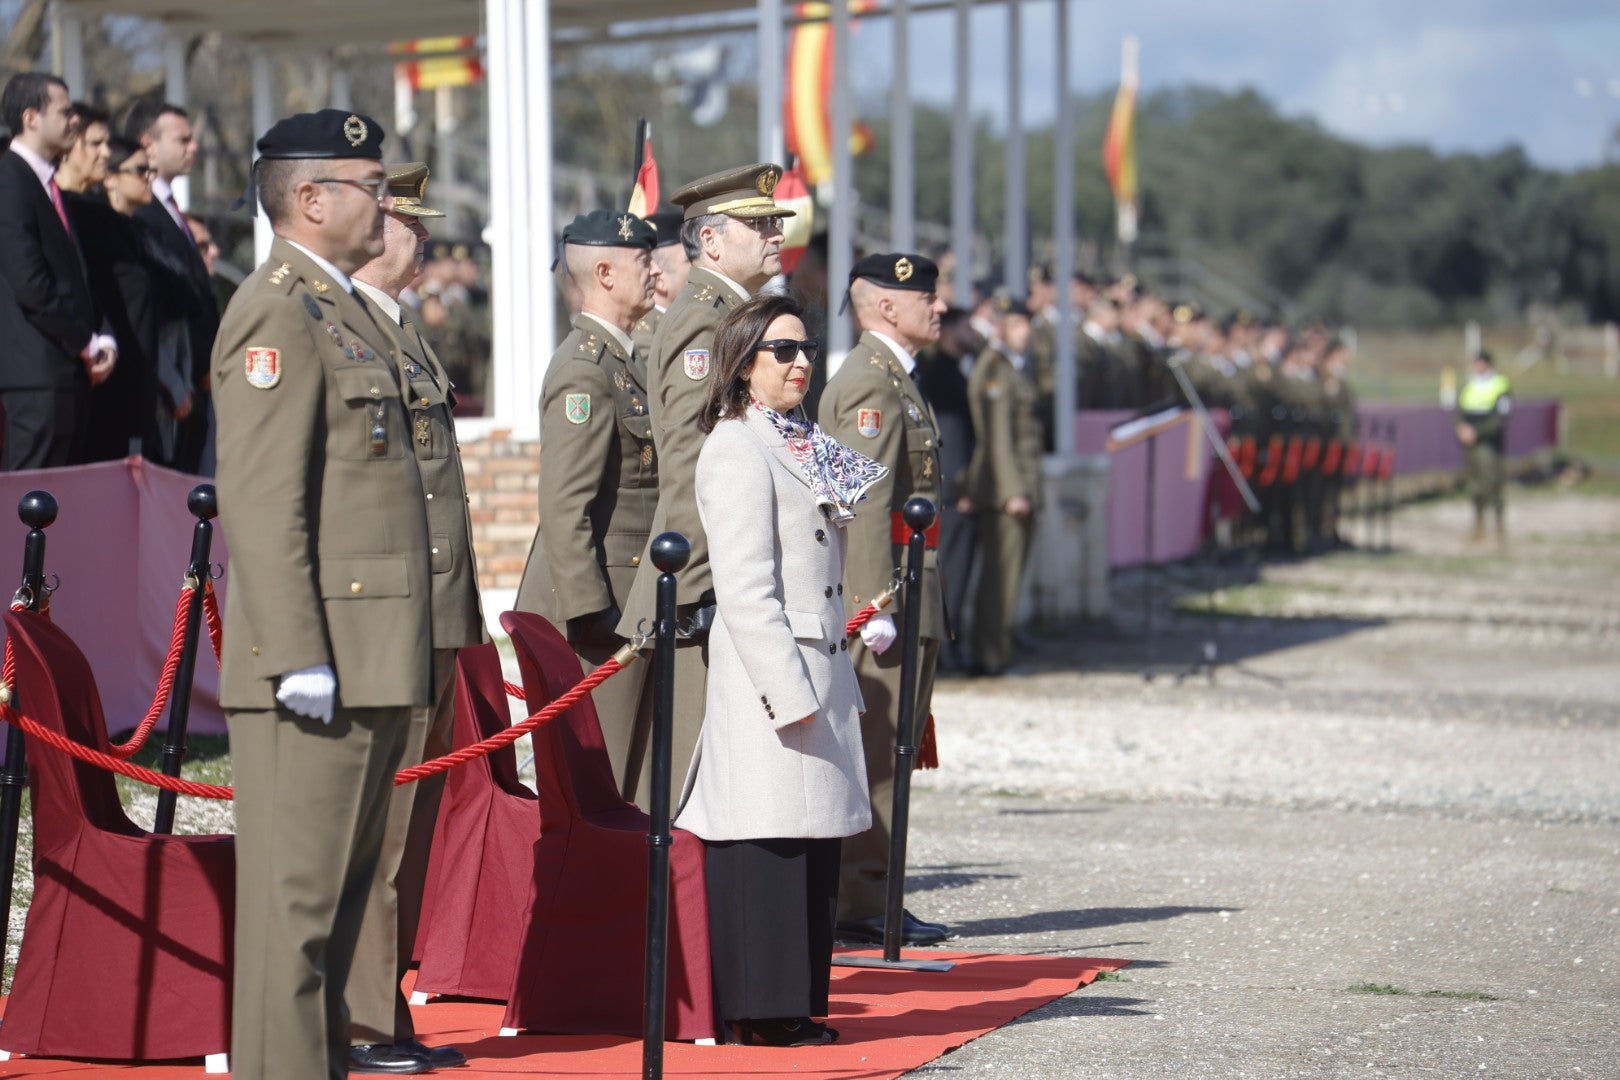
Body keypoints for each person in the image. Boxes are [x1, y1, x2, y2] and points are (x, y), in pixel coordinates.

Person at [212, 108, 431, 1080]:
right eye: (371, 184)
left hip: (366, 657)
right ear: (309, 199)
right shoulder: (275, 309)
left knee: (336, 921)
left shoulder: (341, 309)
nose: (388, 200)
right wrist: (299, 651)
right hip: (317, 662)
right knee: (293, 926)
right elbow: (263, 502)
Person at [680, 291, 882, 1048]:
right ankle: (761, 1011)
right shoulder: (737, 445)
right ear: (742, 364)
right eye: (782, 351)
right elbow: (745, 587)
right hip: (776, 671)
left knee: (810, 839)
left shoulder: (797, 435)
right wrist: (784, 691)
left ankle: (794, 1002)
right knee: (767, 840)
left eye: (806, 349)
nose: (801, 362)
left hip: (820, 659)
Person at [346, 162, 486, 1075]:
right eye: (404, 223)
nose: (421, 238)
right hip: (388, 621)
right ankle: (360, 1018)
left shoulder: (399, 329)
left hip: (435, 616)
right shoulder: (349, 332)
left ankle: (387, 1000)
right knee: (383, 828)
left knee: (419, 828)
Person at [615, 161, 794, 813]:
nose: (776, 234)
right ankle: (669, 917)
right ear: (711, 241)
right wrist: (697, 583)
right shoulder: (705, 321)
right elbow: (693, 459)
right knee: (687, 774)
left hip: (743, 571)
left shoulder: (740, 314)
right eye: (760, 224)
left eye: (776, 222)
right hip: (707, 581)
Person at [817, 253, 953, 946]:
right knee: (874, 751)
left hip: (908, 585)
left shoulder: (895, 376)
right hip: (886, 593)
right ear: (885, 305)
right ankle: (859, 901)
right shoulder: (869, 380)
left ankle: (879, 893)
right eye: (926, 295)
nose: (941, 305)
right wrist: (870, 604)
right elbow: (859, 501)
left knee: (893, 750)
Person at [515, 209, 661, 796]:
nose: (656, 270)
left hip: (629, 599)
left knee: (629, 780)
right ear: (603, 272)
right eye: (643, 260)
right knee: (601, 785)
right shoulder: (584, 370)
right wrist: (590, 614)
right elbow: (565, 505)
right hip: (600, 613)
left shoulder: (625, 363)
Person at [0, 72, 115, 470]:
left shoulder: (47, 186)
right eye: (64, 112)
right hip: (36, 379)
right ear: (31, 118)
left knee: (60, 511)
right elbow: (29, 282)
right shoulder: (9, 180)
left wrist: (105, 339)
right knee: (28, 510)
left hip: (67, 376)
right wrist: (87, 342)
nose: (74, 122)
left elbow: (76, 277)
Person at [66, 132, 175, 462]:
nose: (148, 178)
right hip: (112, 384)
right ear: (111, 178)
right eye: (139, 170)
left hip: (142, 385)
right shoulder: (89, 223)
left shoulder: (135, 230)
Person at [127, 98, 216, 473]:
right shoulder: (142, 213)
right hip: (174, 387)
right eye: (182, 139)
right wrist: (188, 374)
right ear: (148, 144)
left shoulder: (168, 208)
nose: (193, 147)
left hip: (193, 384)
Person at [965, 297, 1043, 676]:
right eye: (1016, 324)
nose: (1025, 332)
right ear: (1000, 328)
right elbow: (996, 438)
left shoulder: (1015, 368)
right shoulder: (994, 369)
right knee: (1000, 578)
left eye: (1027, 324)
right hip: (1004, 492)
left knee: (1010, 577)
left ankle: (1000, 648)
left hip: (1021, 487)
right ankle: (990, 655)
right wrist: (1013, 491)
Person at [918, 307, 984, 673]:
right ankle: (947, 647)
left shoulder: (952, 369)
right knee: (951, 573)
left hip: (958, 491)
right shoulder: (940, 373)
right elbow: (951, 435)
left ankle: (952, 642)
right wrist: (961, 486)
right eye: (967, 327)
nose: (973, 333)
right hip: (954, 494)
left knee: (958, 572)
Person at [1455, 348, 1511, 543]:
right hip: (1470, 445)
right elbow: (1459, 411)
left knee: (1492, 484)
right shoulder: (1469, 385)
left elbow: (1500, 418)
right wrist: (1461, 429)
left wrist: (1477, 433)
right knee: (1474, 486)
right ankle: (1478, 525)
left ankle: (1499, 527)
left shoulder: (1500, 385)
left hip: (1488, 443)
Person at [630, 208, 689, 359]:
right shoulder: (645, 337)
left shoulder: (685, 319)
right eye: (689, 261)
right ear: (660, 280)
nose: (699, 267)